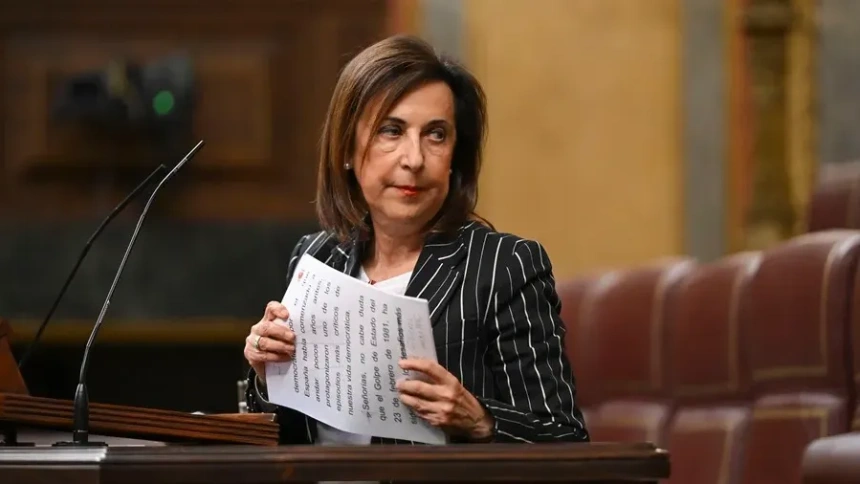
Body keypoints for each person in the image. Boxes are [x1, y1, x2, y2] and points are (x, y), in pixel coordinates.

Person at [243, 34, 589, 446]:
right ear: (347, 151)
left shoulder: (504, 265)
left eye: (436, 135)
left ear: (455, 160)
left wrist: (479, 420)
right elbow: (290, 435)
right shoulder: (317, 257)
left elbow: (564, 439)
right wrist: (267, 375)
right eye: (392, 131)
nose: (415, 159)